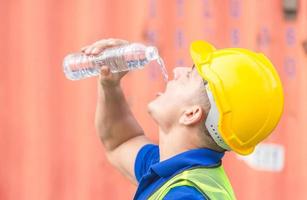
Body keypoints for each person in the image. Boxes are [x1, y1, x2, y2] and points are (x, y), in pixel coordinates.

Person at [82, 38, 284, 199]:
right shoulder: (178, 171)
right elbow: (119, 143)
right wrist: (110, 83)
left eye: (189, 76)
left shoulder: (185, 195)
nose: (176, 71)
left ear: (191, 114)